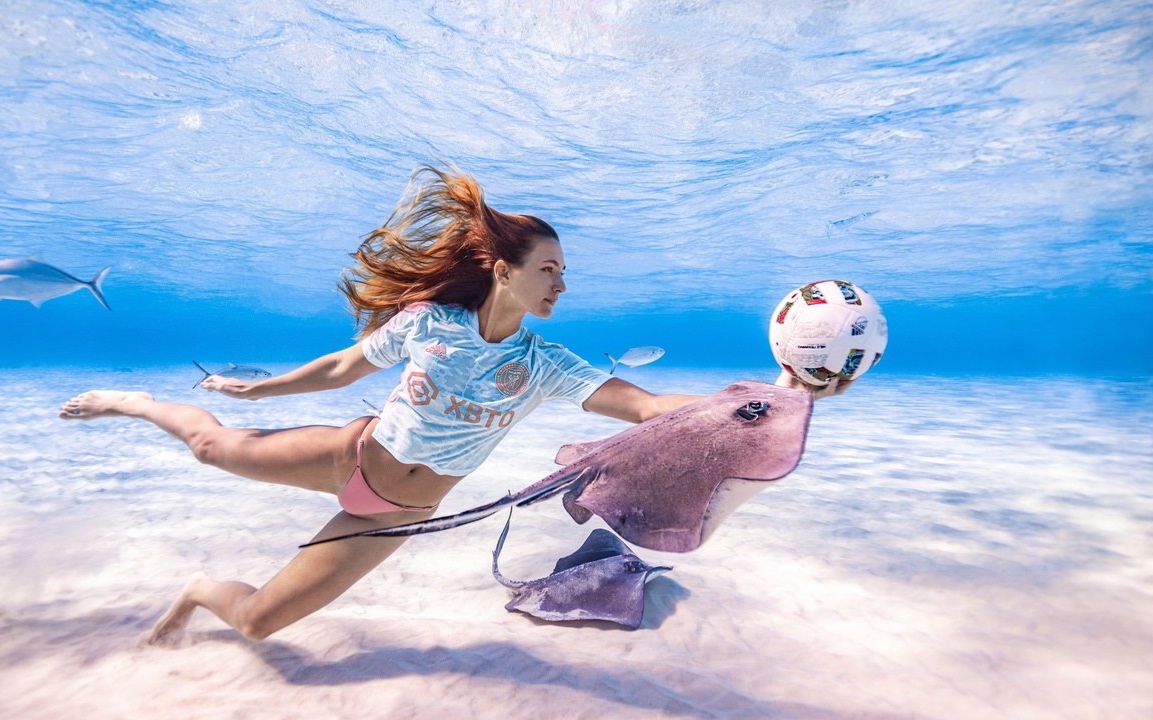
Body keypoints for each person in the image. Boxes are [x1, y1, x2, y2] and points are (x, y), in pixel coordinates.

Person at [59, 166, 845, 644]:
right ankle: (134, 402)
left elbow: (644, 407)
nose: (562, 283)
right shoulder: (430, 322)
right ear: (502, 269)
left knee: (262, 621)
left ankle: (199, 590)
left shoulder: (544, 364)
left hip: (393, 517)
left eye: (565, 272)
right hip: (349, 455)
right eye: (550, 269)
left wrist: (770, 398)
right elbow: (340, 366)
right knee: (209, 447)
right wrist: (260, 387)